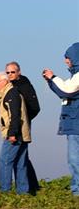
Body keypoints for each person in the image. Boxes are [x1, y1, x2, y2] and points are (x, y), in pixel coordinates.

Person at [43, 42, 79, 197]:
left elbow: (67, 90)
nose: (65, 61)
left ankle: (77, 191)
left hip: (76, 123)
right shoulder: (75, 76)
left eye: (67, 57)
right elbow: (64, 90)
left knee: (74, 159)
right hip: (74, 122)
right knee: (74, 159)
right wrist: (51, 82)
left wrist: (53, 77)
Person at [6, 61, 40, 194]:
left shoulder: (26, 86)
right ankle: (31, 186)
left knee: (15, 157)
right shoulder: (8, 86)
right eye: (7, 72)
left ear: (19, 72)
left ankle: (28, 186)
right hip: (12, 125)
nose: (10, 75)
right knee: (21, 157)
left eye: (12, 72)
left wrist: (25, 120)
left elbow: (35, 107)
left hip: (22, 126)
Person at [0, 71, 30, 194]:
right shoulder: (8, 93)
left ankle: (5, 191)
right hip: (21, 134)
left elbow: (15, 115)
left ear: (5, 81)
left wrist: (12, 133)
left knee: (4, 160)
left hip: (14, 134)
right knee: (20, 163)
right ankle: (23, 192)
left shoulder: (11, 94)